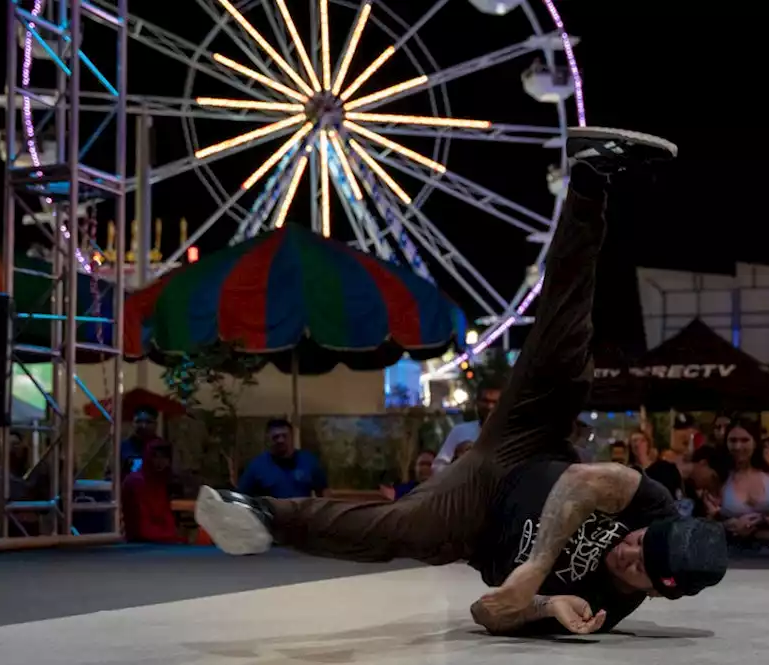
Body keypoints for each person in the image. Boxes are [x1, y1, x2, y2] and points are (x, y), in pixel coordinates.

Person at [195, 127, 728, 636]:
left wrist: (540, 603)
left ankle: (262, 516)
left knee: (401, 528)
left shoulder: (605, 606)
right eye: (638, 542)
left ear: (656, 593)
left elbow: (485, 613)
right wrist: (538, 567)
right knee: (563, 347)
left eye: (638, 568)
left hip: (476, 516)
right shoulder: (656, 507)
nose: (628, 552)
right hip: (528, 446)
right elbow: (584, 482)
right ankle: (591, 178)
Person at [703, 418, 769, 553]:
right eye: (733, 441)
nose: (738, 447)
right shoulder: (720, 478)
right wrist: (727, 524)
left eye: (744, 440)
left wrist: (762, 521)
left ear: (755, 442)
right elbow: (709, 524)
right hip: (731, 551)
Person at [237, 419, 327, 499]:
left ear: (292, 437)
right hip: (271, 516)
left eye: (284, 436)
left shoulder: (308, 461)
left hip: (303, 516)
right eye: (275, 437)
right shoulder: (256, 466)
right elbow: (243, 498)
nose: (280, 440)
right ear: (268, 439)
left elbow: (324, 492)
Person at [122, 440, 183, 544]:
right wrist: (171, 538)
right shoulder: (136, 481)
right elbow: (141, 526)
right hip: (140, 544)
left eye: (164, 457)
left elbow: (165, 515)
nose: (160, 461)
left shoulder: (160, 480)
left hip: (161, 541)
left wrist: (173, 536)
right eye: (156, 457)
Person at [434, 383, 502, 472]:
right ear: (476, 402)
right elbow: (437, 467)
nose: (489, 406)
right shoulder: (460, 431)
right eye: (485, 401)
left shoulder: (512, 434)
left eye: (494, 402)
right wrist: (457, 461)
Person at [119, 405, 161, 476]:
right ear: (133, 423)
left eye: (148, 422)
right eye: (139, 421)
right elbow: (111, 476)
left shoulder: (164, 447)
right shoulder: (122, 447)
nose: (143, 425)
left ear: (156, 424)